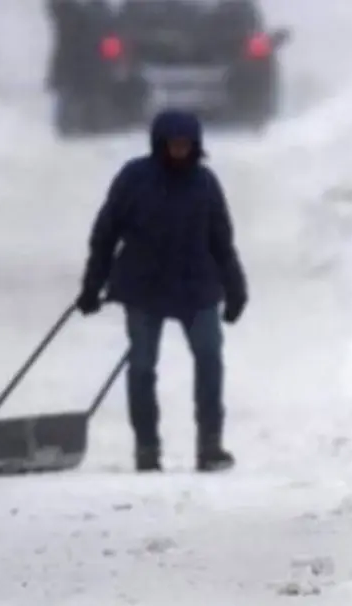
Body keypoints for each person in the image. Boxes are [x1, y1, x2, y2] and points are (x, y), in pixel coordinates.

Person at [75, 109, 249, 473]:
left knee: (210, 360)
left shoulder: (205, 184)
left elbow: (222, 241)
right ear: (159, 144)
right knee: (141, 367)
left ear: (196, 145)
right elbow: (105, 235)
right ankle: (146, 447)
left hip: (197, 288)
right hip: (144, 288)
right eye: (173, 144)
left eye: (186, 144)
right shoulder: (134, 180)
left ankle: (210, 444)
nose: (179, 150)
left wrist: (235, 288)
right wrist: (92, 285)